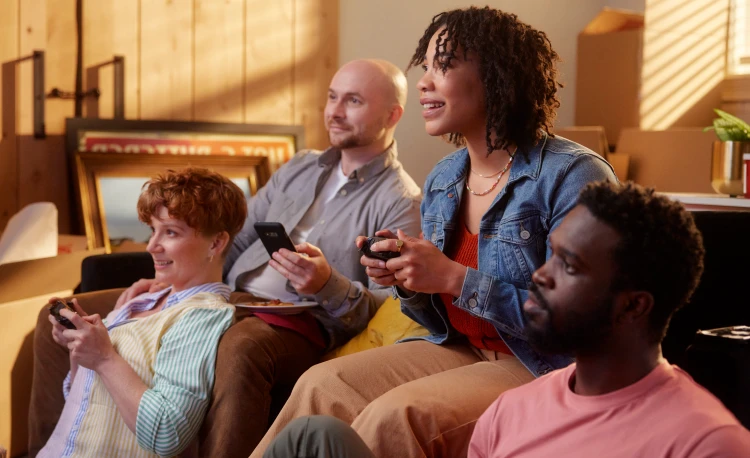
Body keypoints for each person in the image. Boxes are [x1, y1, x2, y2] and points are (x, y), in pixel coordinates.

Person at [251, 7, 617, 458]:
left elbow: (579, 322)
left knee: (396, 416)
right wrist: (408, 279)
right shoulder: (446, 176)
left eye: (442, 65)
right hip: (459, 347)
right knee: (322, 383)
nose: (424, 80)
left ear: (497, 75)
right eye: (425, 66)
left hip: (542, 363)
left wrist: (452, 277)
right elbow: (436, 318)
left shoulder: (573, 174)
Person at [27, 59, 422, 458]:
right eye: (332, 97)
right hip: (225, 295)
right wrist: (170, 283)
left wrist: (326, 284)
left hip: (302, 320)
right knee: (61, 319)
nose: (334, 111)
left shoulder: (400, 200)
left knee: (242, 349)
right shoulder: (301, 166)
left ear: (393, 115)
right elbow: (230, 235)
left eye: (352, 101)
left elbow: (387, 311)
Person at [258, 181, 750, 458]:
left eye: (569, 266)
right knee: (314, 436)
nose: (540, 275)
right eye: (551, 256)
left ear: (633, 305)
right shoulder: (512, 411)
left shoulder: (704, 442)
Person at [38, 168, 247, 457]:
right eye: (152, 230)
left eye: (171, 232)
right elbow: (84, 398)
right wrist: (80, 349)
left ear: (216, 243)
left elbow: (166, 433)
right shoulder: (142, 299)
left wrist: (104, 358)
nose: (151, 246)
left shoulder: (202, 316)